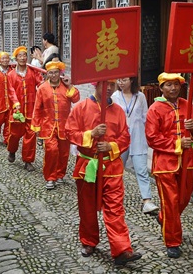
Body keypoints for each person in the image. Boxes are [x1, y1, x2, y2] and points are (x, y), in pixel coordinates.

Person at [65, 80, 142, 266]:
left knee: (115, 209)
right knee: (87, 207)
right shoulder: (81, 107)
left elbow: (125, 137)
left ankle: (122, 249)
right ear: (96, 85)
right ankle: (89, 241)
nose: (109, 88)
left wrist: (110, 146)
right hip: (88, 166)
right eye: (105, 84)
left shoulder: (118, 111)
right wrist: (90, 134)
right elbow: (69, 132)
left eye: (113, 85)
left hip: (112, 168)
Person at [145, 72, 193, 259]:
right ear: (161, 88)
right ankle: (173, 241)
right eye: (168, 85)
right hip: (165, 164)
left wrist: (192, 128)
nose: (173, 88)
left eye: (176, 84)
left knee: (184, 198)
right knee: (170, 202)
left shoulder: (187, 104)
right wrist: (177, 144)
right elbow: (152, 138)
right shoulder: (155, 109)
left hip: (187, 161)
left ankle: (164, 218)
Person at [112, 77, 159, 214]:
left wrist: (150, 136)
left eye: (124, 80)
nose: (120, 82)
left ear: (132, 81)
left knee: (142, 170)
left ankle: (147, 201)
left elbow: (146, 117)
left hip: (138, 137)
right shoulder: (115, 96)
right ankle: (114, 197)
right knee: (116, 169)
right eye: (119, 80)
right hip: (120, 138)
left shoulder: (141, 97)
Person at [31, 61, 79, 188]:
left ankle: (60, 175)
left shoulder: (65, 86)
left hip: (65, 126)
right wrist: (36, 127)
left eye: (56, 73)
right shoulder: (42, 88)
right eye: (51, 73)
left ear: (60, 73)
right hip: (48, 126)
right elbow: (37, 108)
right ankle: (50, 177)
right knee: (52, 150)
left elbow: (76, 98)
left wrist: (70, 86)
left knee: (63, 153)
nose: (53, 75)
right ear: (47, 74)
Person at [7, 46, 43, 172]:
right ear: (16, 58)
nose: (22, 58)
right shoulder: (11, 75)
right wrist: (16, 104)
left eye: (24, 55)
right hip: (18, 111)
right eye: (20, 56)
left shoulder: (33, 72)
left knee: (31, 136)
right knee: (15, 135)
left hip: (31, 110)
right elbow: (10, 92)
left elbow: (41, 84)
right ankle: (12, 150)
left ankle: (28, 160)